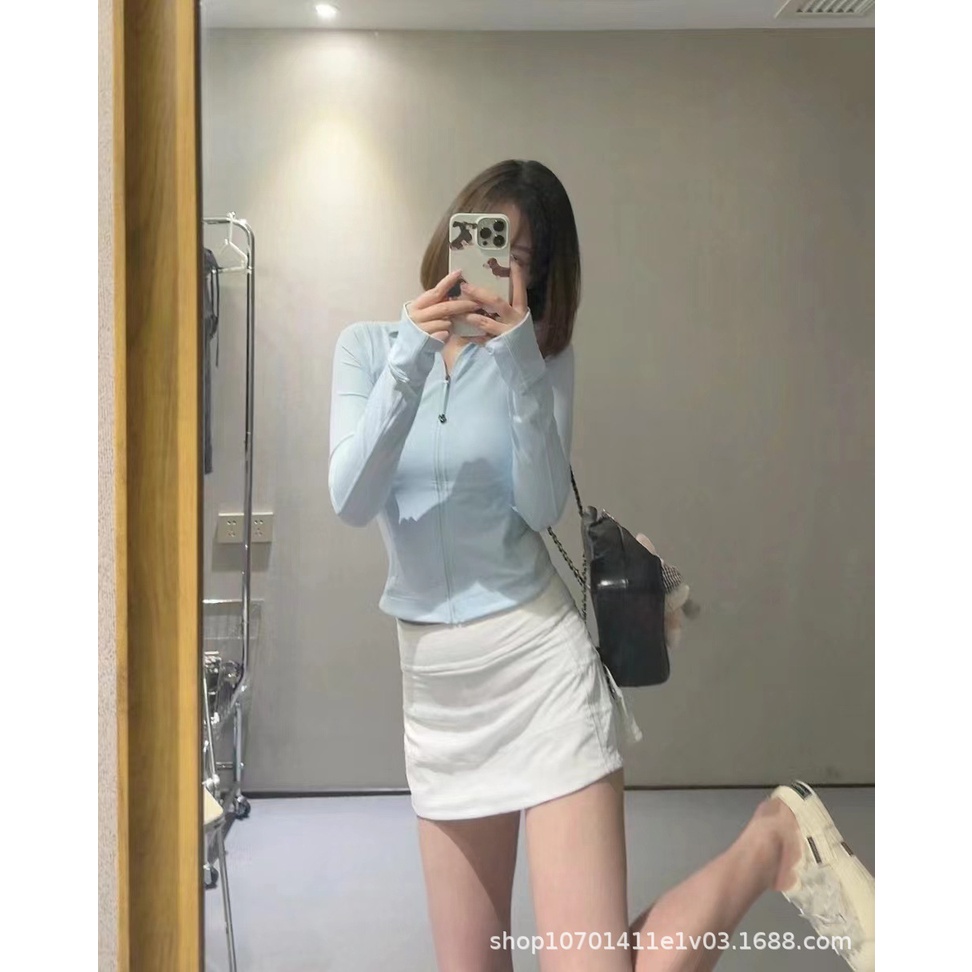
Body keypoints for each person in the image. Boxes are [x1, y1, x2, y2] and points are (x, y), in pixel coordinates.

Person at [328, 160, 874, 972]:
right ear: (451, 233)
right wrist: (414, 351)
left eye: (518, 257)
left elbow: (541, 504)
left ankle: (770, 843)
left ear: (540, 276)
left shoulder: (540, 359)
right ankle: (776, 838)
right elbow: (352, 497)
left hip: (538, 671)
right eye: (484, 239)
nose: (493, 266)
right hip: (440, 700)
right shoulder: (371, 349)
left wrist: (518, 361)